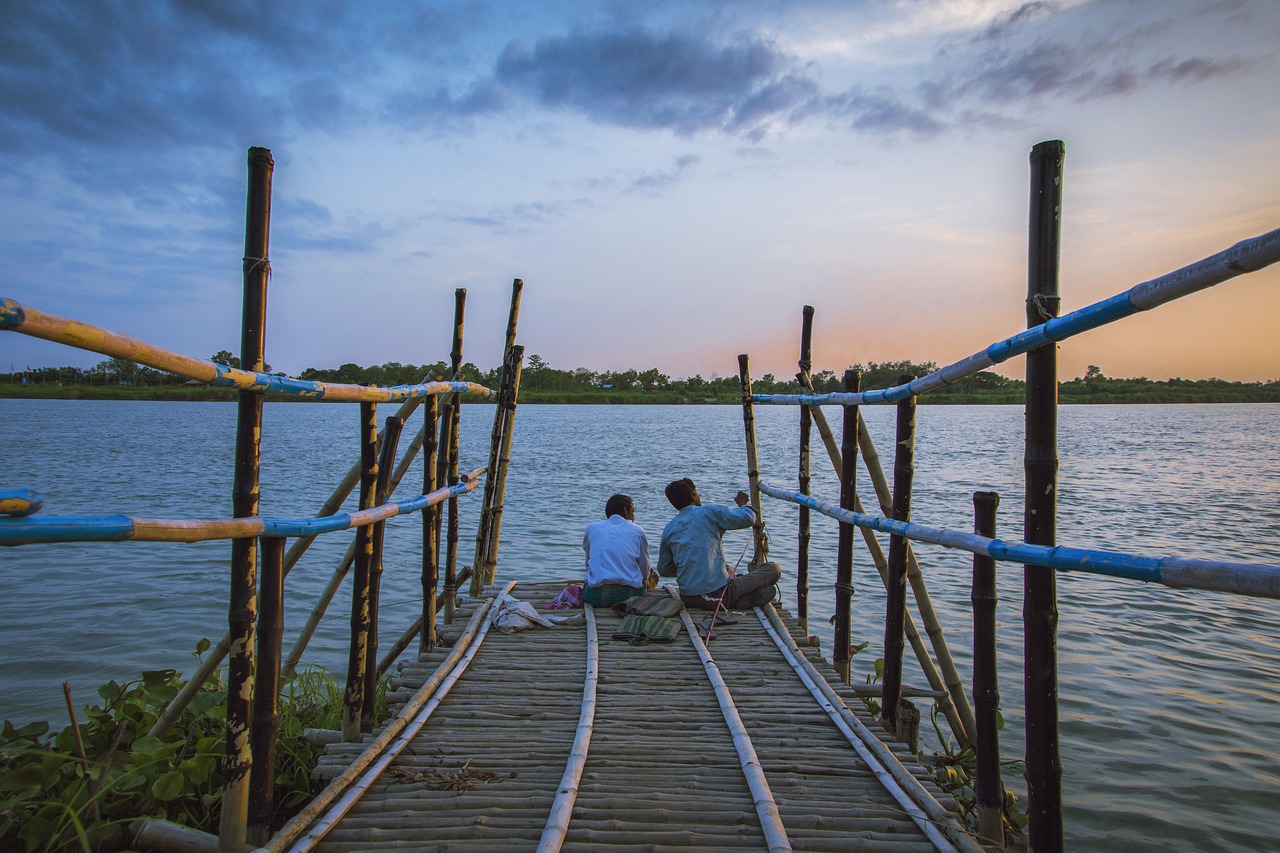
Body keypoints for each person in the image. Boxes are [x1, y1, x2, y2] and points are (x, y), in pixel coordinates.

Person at [657, 477, 782, 611]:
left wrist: (691, 568)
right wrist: (743, 504)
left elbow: (664, 569)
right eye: (696, 493)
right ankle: (734, 600)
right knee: (773, 570)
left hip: (687, 597)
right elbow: (748, 518)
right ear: (693, 495)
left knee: (727, 569)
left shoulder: (669, 528)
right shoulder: (709, 512)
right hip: (718, 594)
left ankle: (736, 598)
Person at [582, 493, 657, 607]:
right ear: (626, 510)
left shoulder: (592, 528)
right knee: (647, 578)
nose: (633, 517)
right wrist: (646, 579)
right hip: (629, 596)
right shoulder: (637, 530)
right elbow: (644, 566)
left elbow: (588, 563)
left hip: (595, 597)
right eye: (632, 511)